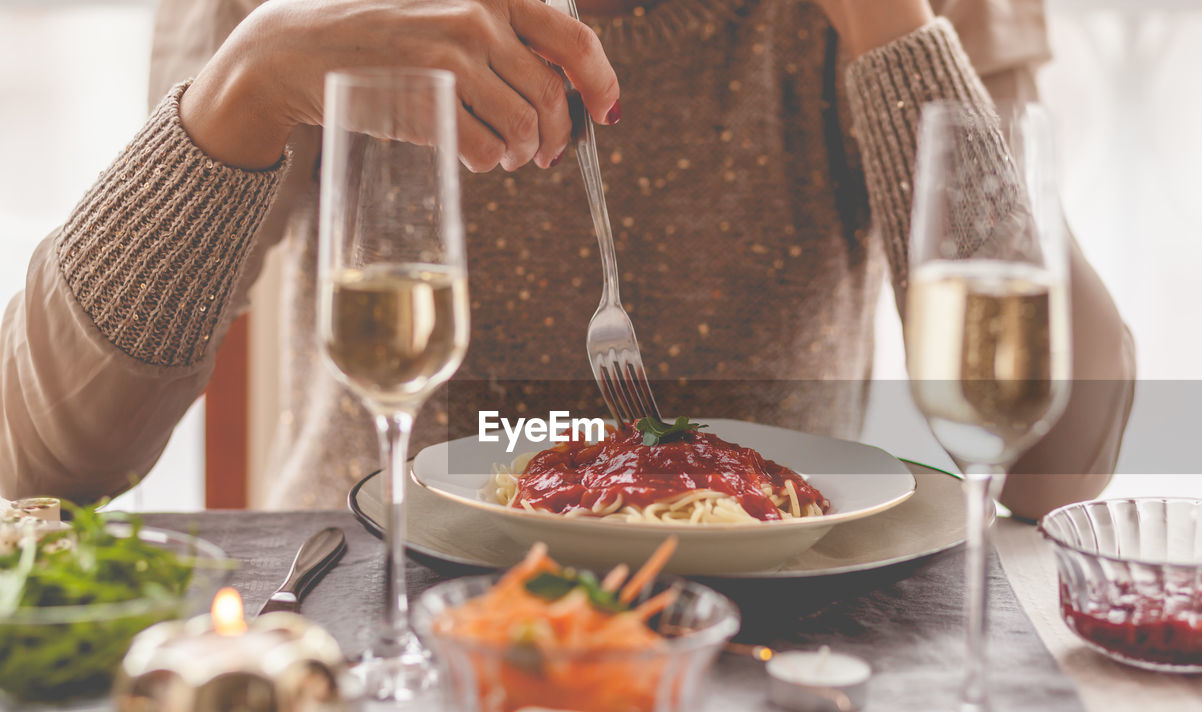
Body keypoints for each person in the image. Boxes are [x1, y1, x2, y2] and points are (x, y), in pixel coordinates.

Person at [1, 0, 1135, 519]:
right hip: (367, 626)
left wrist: (891, 24)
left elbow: (1053, 470)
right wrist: (247, 82)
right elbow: (38, 457)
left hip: (776, 653)